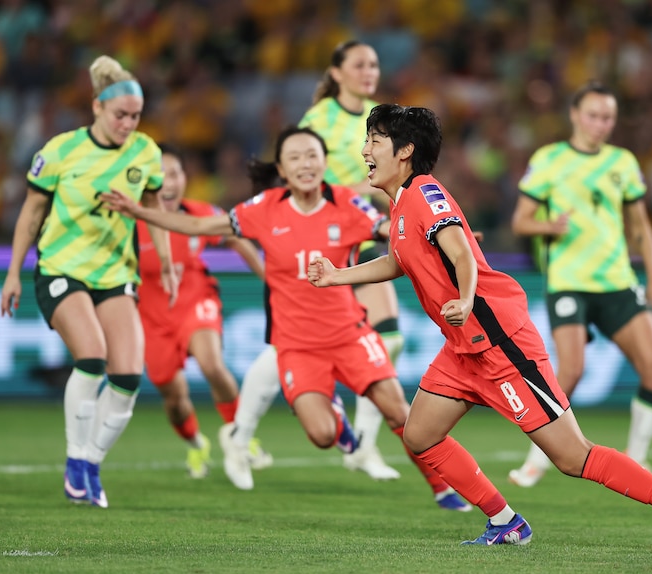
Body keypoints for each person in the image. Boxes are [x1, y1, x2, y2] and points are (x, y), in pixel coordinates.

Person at [306, 103, 652, 554]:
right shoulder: (403, 204)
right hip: (462, 348)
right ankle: (505, 522)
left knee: (572, 456)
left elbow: (463, 253)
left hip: (501, 345)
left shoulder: (426, 194)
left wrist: (465, 298)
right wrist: (336, 276)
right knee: (420, 435)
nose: (364, 148)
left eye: (375, 140)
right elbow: (397, 262)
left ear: (405, 151)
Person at [103, 126, 471, 512]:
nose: (305, 164)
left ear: (324, 162)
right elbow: (199, 225)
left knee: (399, 411)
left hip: (349, 333)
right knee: (322, 435)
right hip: (296, 346)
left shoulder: (346, 203)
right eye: (294, 157)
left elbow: (388, 232)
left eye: (312, 155)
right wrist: (137, 210)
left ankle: (443, 489)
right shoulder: (264, 208)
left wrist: (440, 236)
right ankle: (338, 426)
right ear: (281, 167)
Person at [0, 55, 178, 509]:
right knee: (93, 355)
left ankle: (92, 463)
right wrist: (13, 272)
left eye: (136, 116)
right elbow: (31, 214)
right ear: (97, 107)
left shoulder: (146, 152)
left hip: (116, 274)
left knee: (127, 377)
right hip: (61, 269)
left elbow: (155, 209)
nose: (128, 123)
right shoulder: (60, 151)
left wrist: (168, 261)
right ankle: (75, 461)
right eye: (121, 114)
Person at [229, 40, 402, 481]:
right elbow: (302, 170)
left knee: (391, 336)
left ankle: (359, 446)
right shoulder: (318, 119)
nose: (369, 71)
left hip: (360, 228)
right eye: (360, 64)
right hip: (318, 235)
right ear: (337, 72)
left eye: (375, 63)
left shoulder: (382, 116)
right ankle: (241, 432)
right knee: (289, 345)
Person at [507, 81, 652, 487]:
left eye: (608, 117)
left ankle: (637, 457)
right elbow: (520, 220)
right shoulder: (549, 160)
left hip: (617, 280)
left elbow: (640, 227)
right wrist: (549, 225)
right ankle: (536, 460)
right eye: (594, 115)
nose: (602, 124)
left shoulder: (623, 162)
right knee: (571, 371)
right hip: (568, 281)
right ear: (575, 115)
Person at [136, 143, 271, 480]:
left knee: (212, 363)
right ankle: (197, 444)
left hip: (196, 299)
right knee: (173, 395)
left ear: (185, 178)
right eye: (161, 175)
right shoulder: (132, 223)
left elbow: (237, 237)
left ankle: (241, 437)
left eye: (175, 173)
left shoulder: (199, 213)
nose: (169, 181)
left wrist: (270, 279)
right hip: (151, 314)